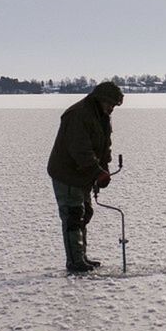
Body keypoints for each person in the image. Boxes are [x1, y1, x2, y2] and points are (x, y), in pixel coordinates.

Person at [46, 80, 123, 273]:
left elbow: (104, 146)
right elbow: (81, 150)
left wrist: (103, 170)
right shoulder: (78, 114)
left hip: (83, 174)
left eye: (114, 105)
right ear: (100, 99)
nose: (112, 108)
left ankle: (81, 256)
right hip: (68, 173)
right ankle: (74, 262)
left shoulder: (101, 116)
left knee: (85, 213)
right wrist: (97, 172)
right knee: (73, 215)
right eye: (110, 104)